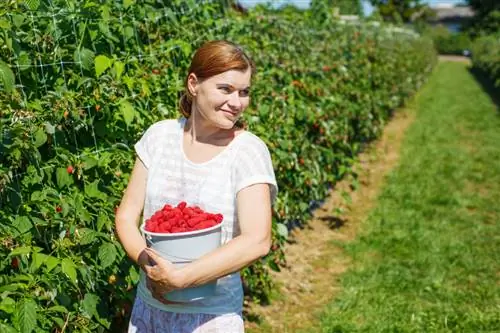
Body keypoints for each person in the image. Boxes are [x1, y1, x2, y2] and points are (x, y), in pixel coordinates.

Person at [115, 40, 278, 332]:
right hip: (150, 309)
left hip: (211, 318)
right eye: (225, 89)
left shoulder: (248, 152)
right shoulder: (159, 137)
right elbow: (127, 216)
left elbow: (257, 239)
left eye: (244, 92)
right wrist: (150, 267)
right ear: (193, 84)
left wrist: (181, 279)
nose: (237, 102)